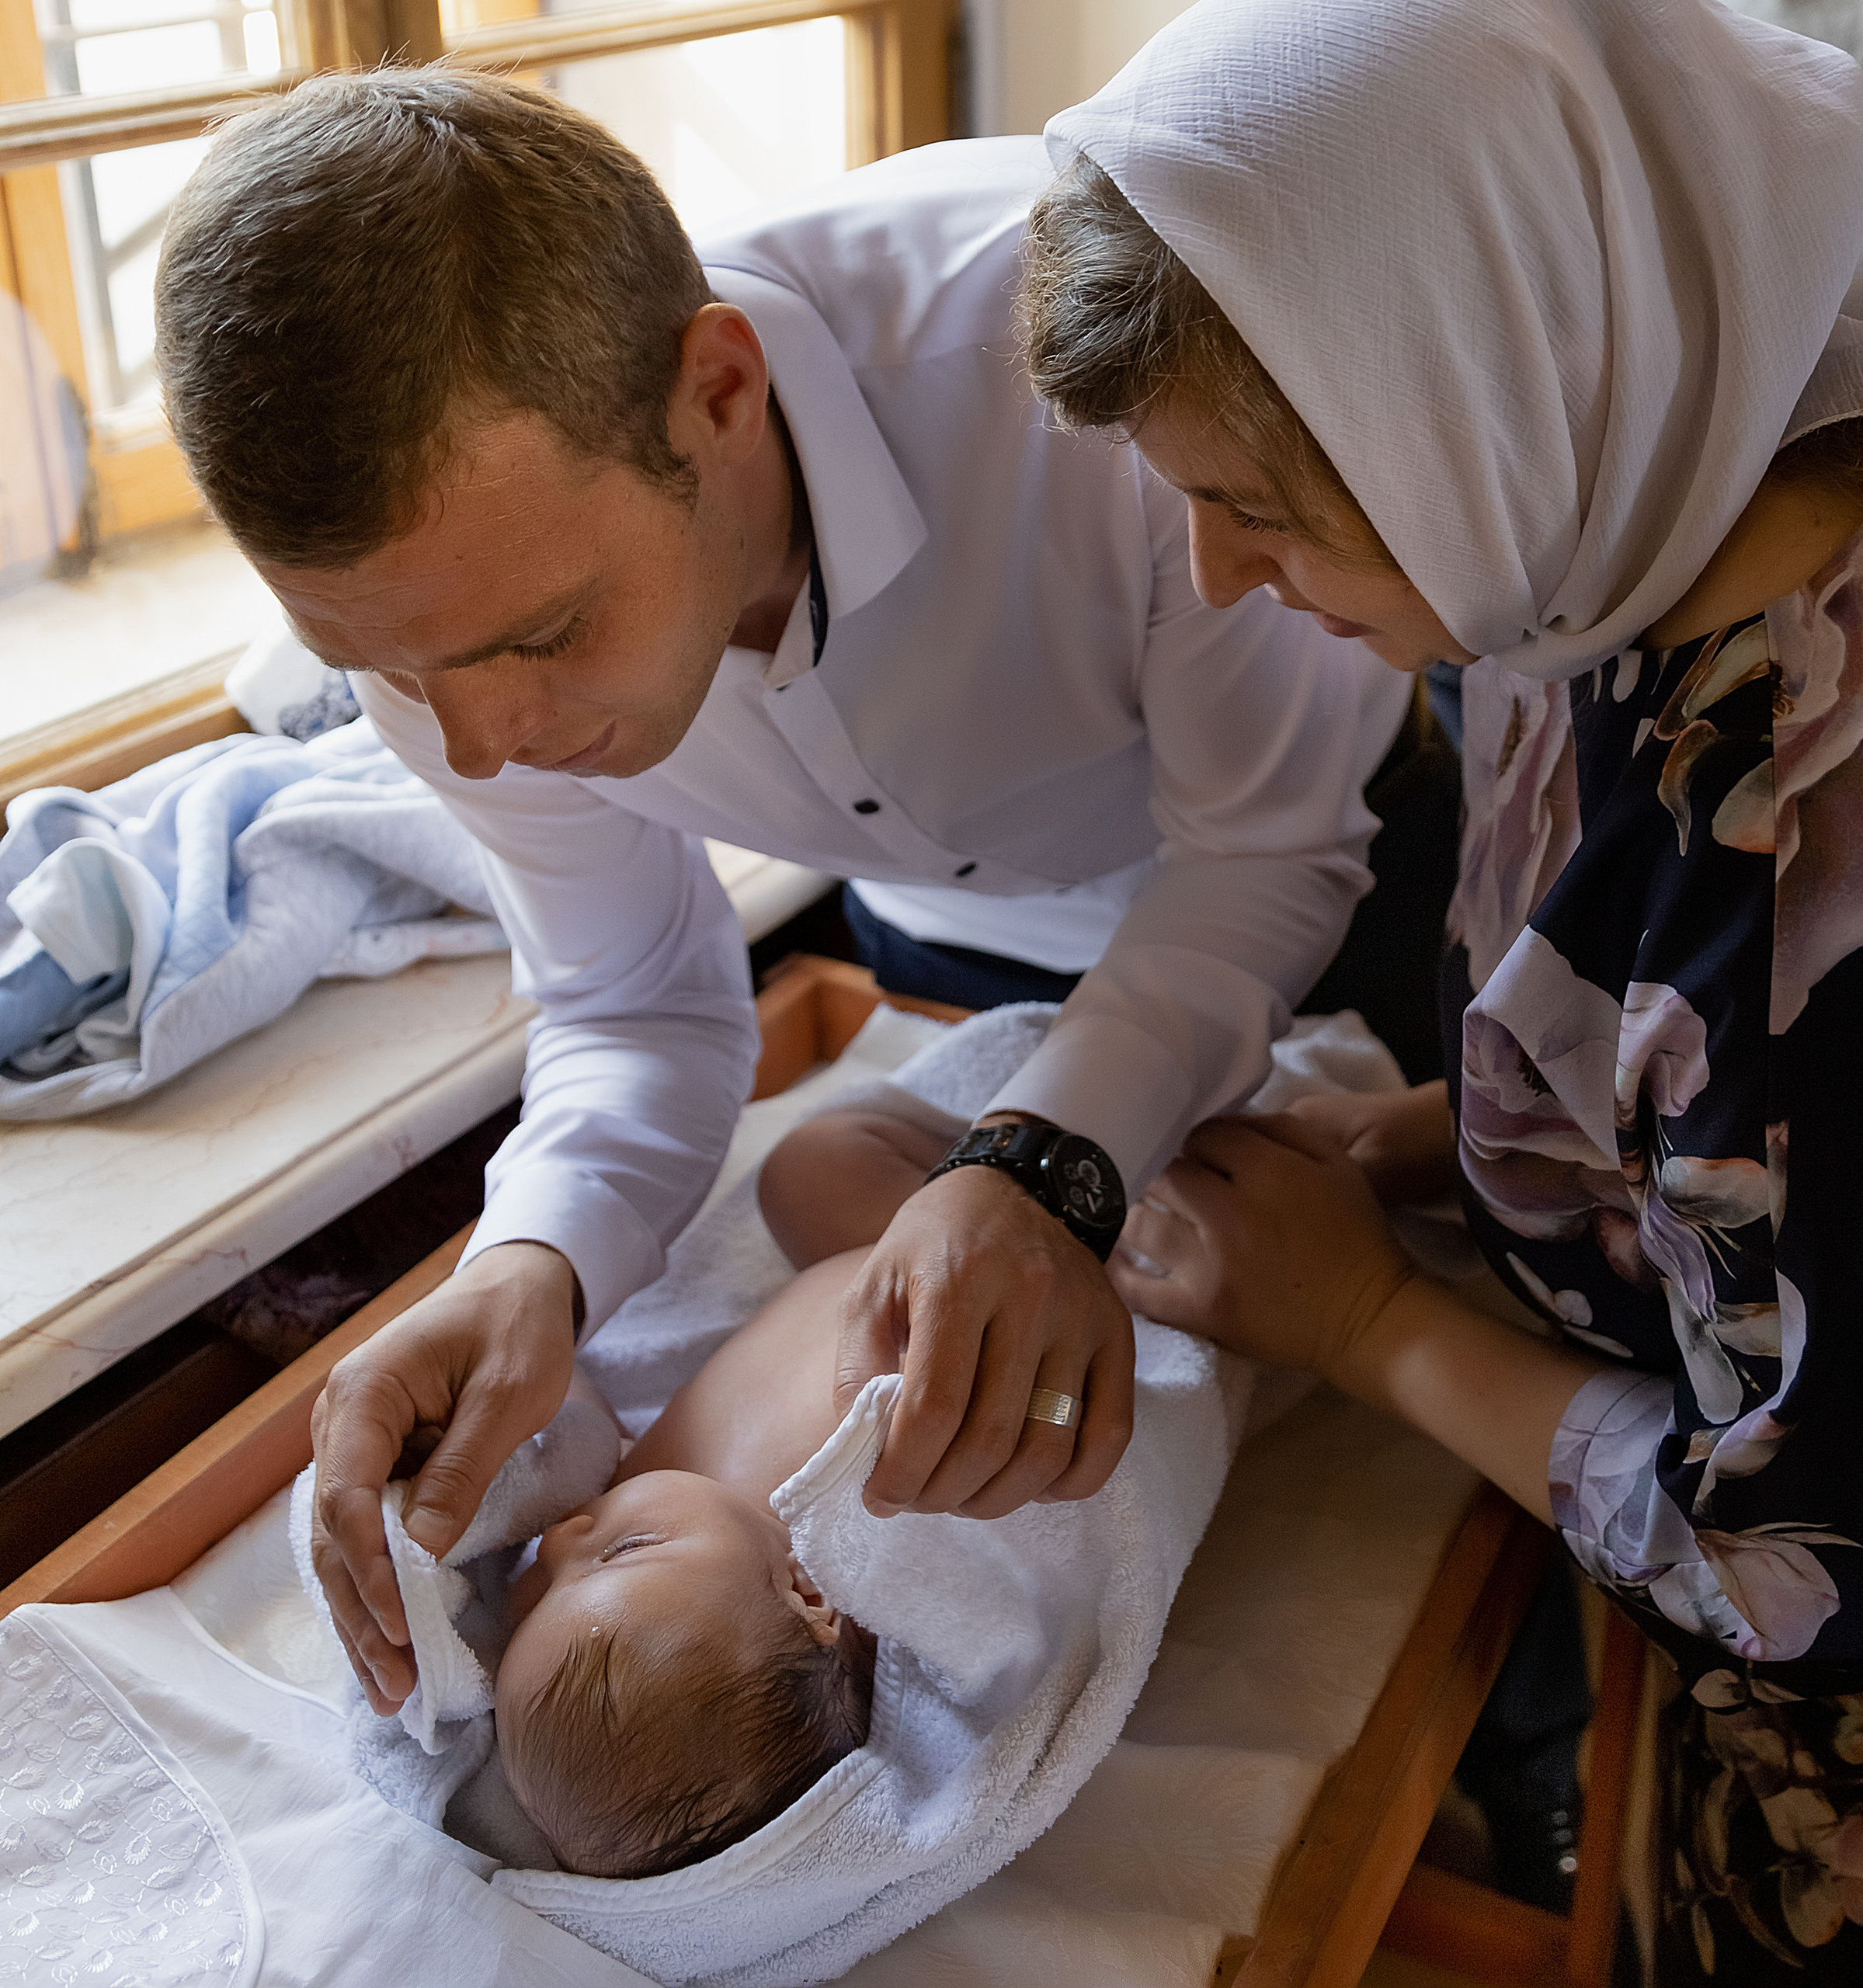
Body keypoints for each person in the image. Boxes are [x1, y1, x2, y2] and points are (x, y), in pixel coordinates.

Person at [151, 71, 1408, 1724]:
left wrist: (1041, 1159)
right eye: (377, 670)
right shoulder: (454, 627)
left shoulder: (1095, 358)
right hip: (949, 923)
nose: (488, 742)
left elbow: (1260, 853)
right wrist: (529, 1263)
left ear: (717, 391)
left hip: (1337, 846)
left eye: (540, 635)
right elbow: (636, 1000)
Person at [1017, 0, 1863, 1976]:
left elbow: (1831, 1572)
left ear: (1488, 388)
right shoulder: (1634, 507)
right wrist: (1448, 1145)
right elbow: (1685, 1098)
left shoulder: (1849, 871)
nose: (1208, 580)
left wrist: (1361, 1317)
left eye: (1258, 508)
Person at [495, 1106, 946, 1879]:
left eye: (535, 1598)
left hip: (856, 1251)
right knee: (828, 1156)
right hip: (930, 1277)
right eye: (624, 1551)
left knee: (805, 1167)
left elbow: (560, 1389)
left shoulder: (627, 1490)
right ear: (807, 1594)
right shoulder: (864, 1518)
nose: (563, 1541)